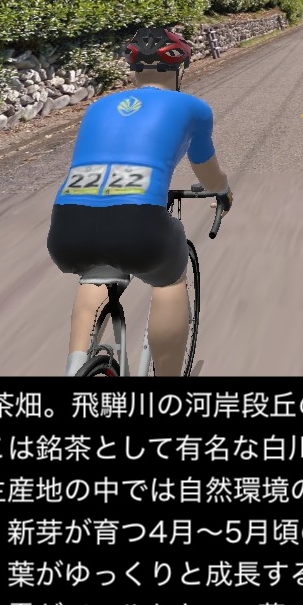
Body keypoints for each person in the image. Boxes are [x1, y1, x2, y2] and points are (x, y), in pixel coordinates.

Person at [47, 25, 233, 375]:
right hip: (137, 223)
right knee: (169, 280)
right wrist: (223, 193)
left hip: (67, 225)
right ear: (179, 69)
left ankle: (75, 367)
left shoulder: (98, 108)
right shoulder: (193, 108)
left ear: (133, 70)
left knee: (96, 274)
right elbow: (207, 171)